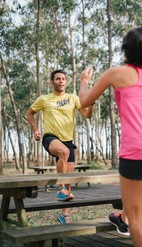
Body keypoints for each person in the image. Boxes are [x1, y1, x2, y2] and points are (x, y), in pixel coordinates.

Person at [78, 27, 142, 247]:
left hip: (139, 152)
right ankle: (123, 216)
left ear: (126, 49)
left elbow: (84, 101)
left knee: (138, 219)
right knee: (140, 188)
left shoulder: (115, 73)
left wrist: (84, 81)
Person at [27, 69, 93, 224]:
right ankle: (60, 188)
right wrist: (35, 131)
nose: (61, 81)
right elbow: (29, 113)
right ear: (52, 82)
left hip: (68, 141)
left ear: (66, 81)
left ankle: (64, 214)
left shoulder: (73, 98)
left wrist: (92, 104)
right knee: (62, 152)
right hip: (51, 138)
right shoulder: (44, 99)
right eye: (58, 79)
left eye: (63, 79)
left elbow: (87, 115)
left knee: (69, 180)